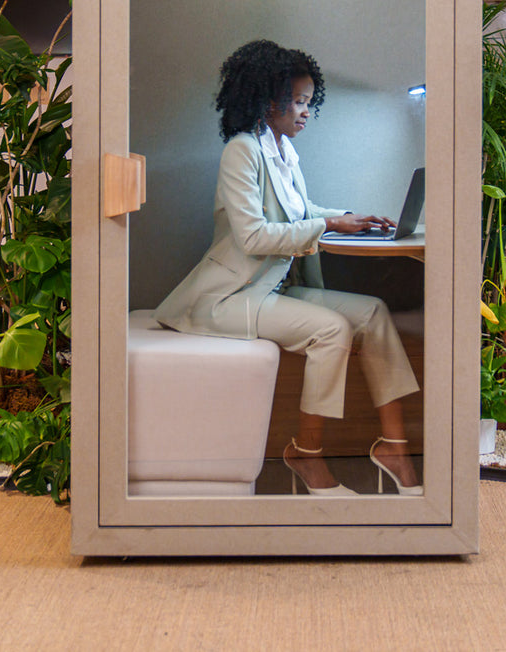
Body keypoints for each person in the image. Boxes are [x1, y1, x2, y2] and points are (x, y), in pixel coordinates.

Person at [154, 39, 422, 496]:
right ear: (266, 99)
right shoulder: (242, 151)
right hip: (228, 297)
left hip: (272, 288)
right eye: (298, 101)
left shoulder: (282, 150)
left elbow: (300, 211)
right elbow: (255, 236)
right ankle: (306, 456)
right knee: (332, 330)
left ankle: (394, 447)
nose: (306, 111)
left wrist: (351, 218)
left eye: (307, 101)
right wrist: (328, 224)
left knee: (374, 313)